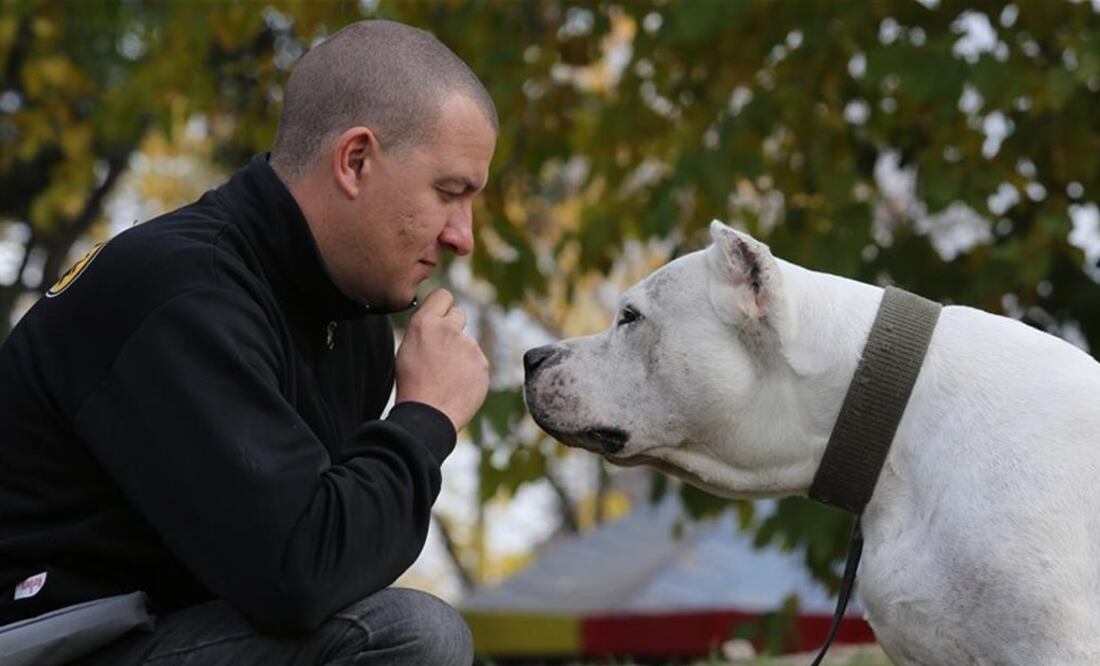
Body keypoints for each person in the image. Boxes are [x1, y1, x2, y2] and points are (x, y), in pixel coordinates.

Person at [0, 19, 496, 665]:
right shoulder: (181, 292)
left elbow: (330, 573)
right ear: (355, 161)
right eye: (449, 193)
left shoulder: (351, 324)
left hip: (153, 628)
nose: (463, 236)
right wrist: (424, 418)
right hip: (41, 640)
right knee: (410, 635)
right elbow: (299, 576)